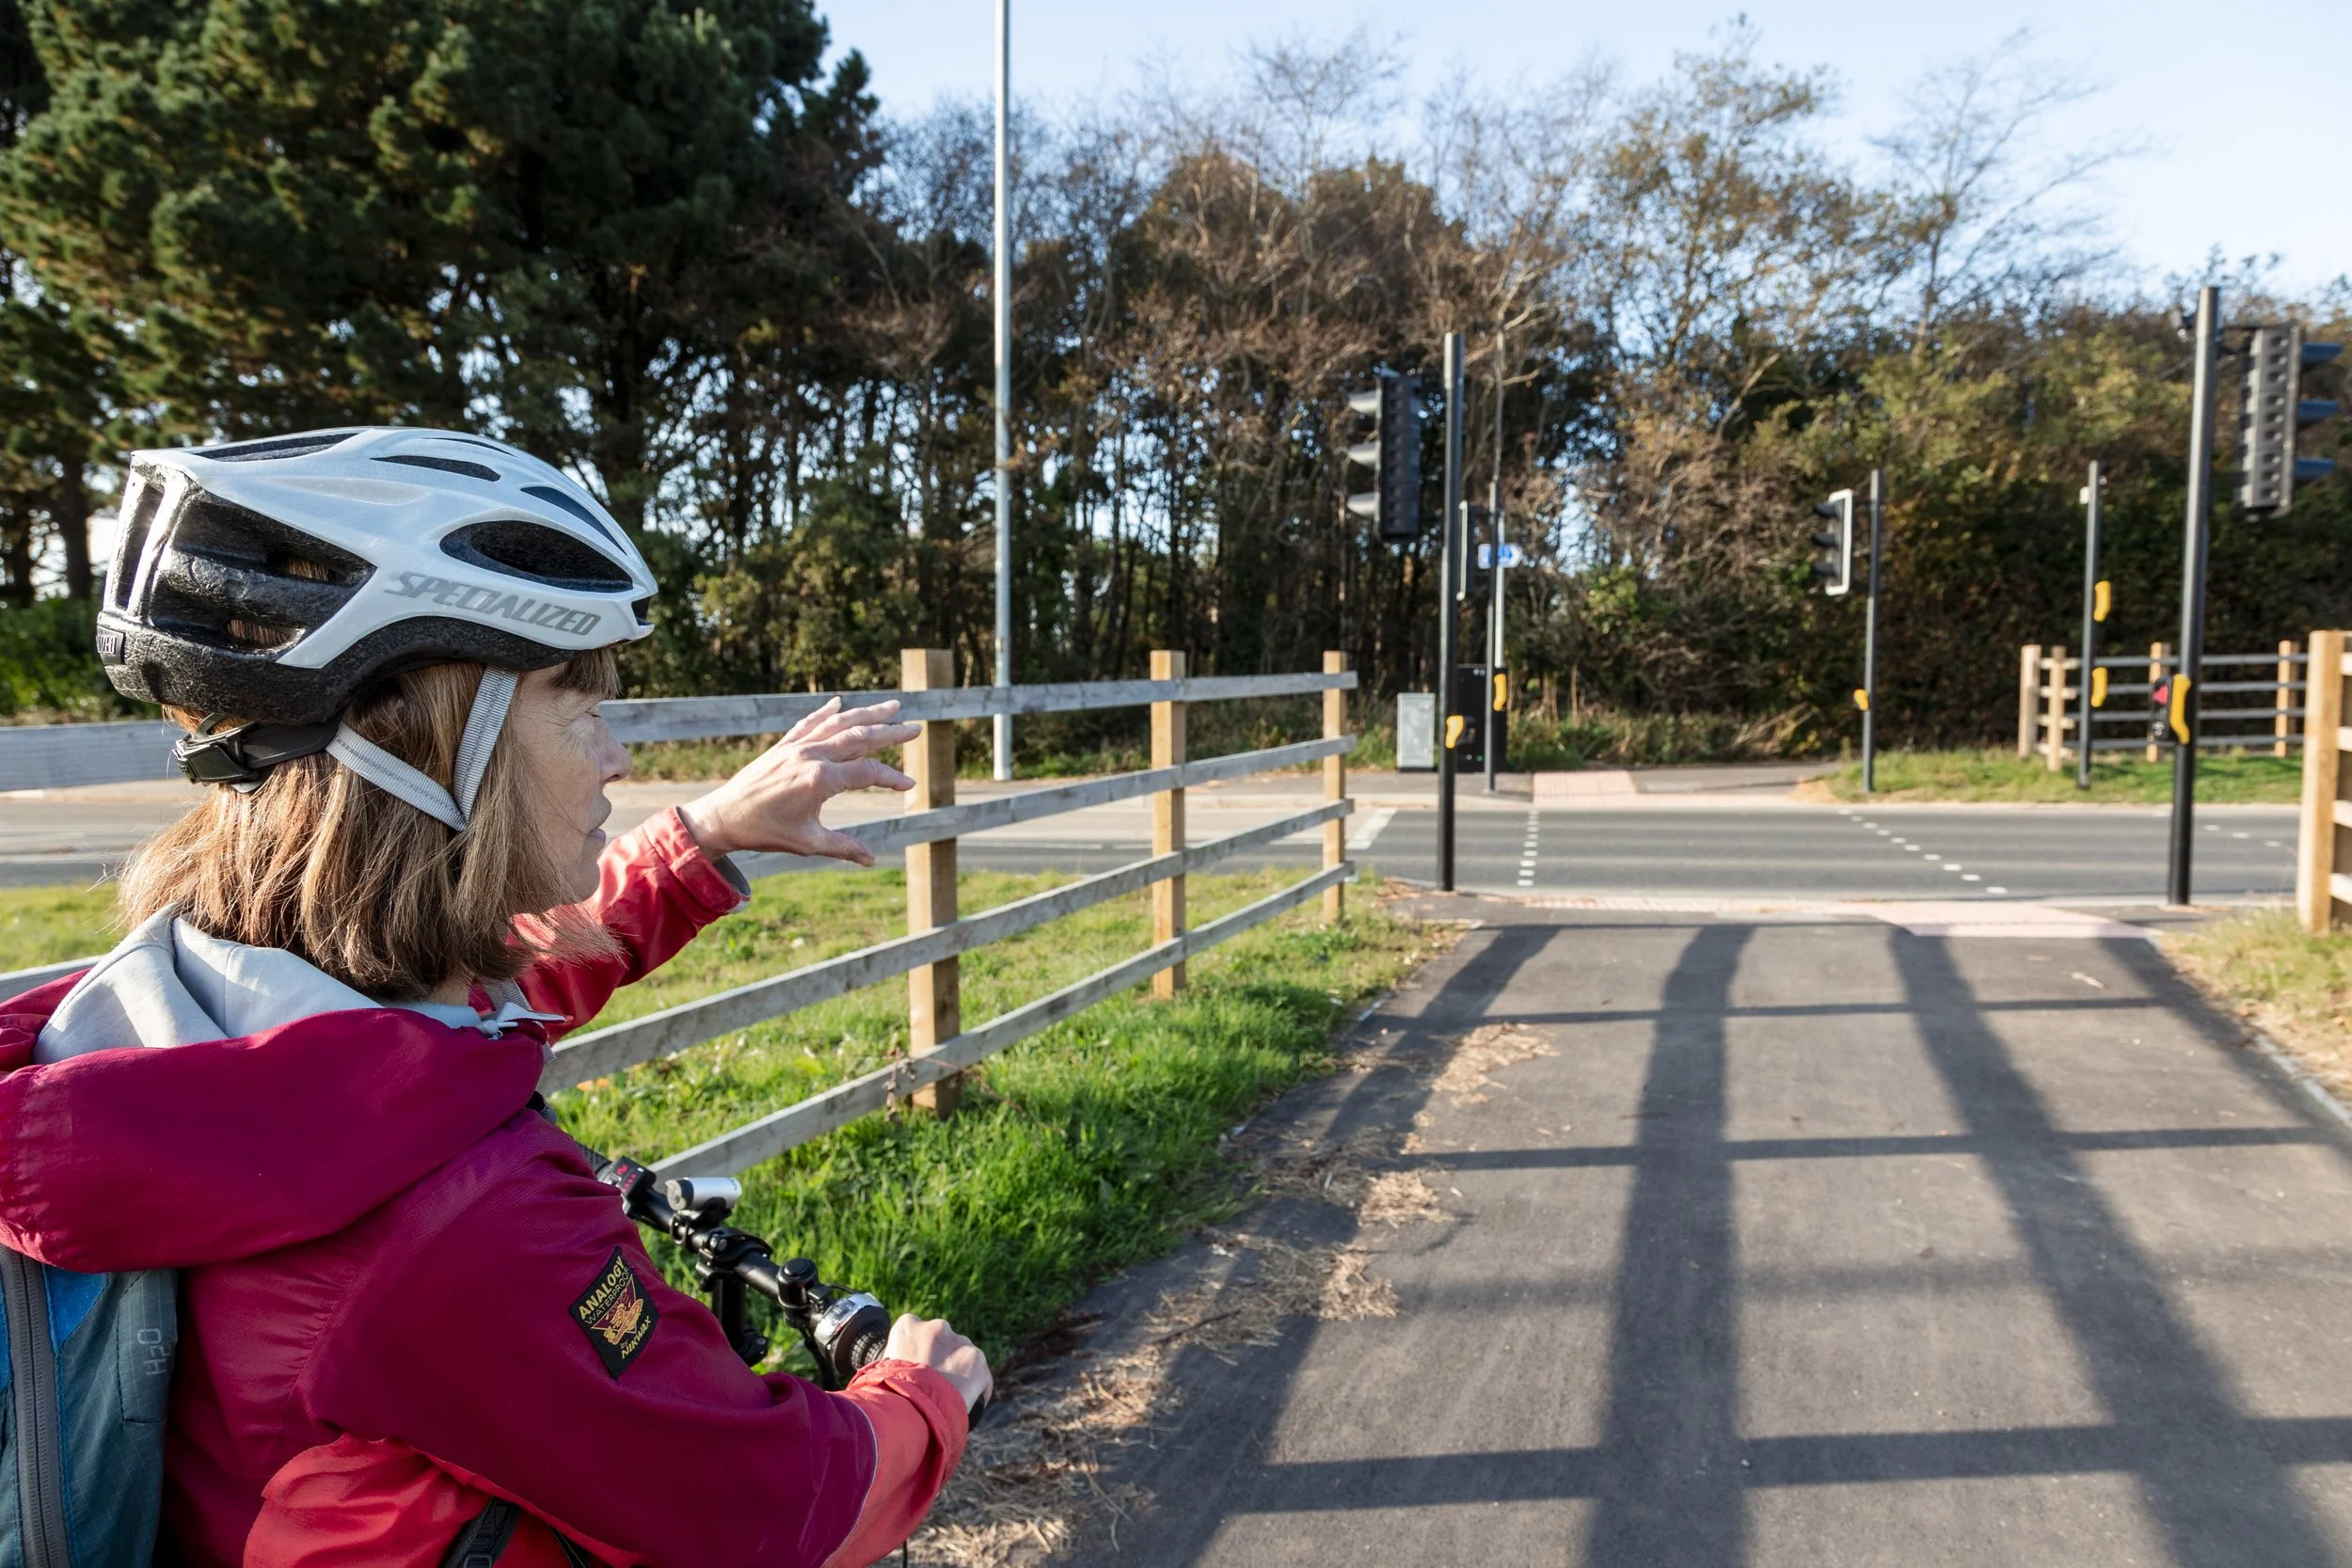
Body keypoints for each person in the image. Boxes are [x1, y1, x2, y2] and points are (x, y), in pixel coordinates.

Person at [0, 427, 989, 1567]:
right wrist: (925, 1393)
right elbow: (767, 1505)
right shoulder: (463, 1226)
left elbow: (449, 1038)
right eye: (577, 702)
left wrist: (703, 840)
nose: (616, 755)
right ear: (428, 750)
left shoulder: (170, 1033)